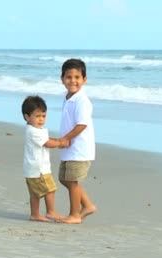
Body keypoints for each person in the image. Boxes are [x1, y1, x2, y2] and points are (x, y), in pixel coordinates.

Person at [57, 58, 97, 224]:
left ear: (84, 80)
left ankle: (74, 214)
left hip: (79, 148)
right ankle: (87, 205)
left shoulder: (82, 100)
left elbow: (82, 124)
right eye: (68, 77)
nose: (72, 81)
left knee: (72, 182)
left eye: (77, 77)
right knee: (64, 178)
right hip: (69, 148)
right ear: (62, 79)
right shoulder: (68, 97)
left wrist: (65, 138)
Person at [21, 95, 69, 222]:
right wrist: (60, 143)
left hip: (31, 169)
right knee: (50, 189)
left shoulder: (35, 129)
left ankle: (35, 214)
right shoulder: (33, 131)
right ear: (27, 117)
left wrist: (57, 140)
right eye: (37, 116)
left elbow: (47, 139)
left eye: (43, 116)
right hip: (39, 169)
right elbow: (47, 143)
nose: (41, 119)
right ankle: (51, 211)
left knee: (35, 194)